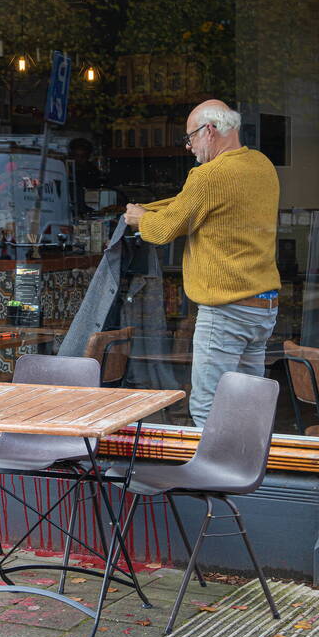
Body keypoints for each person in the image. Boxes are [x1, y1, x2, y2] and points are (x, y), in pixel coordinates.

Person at [124, 99, 280, 427]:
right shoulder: (261, 165)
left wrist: (140, 218)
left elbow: (165, 229)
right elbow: (186, 205)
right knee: (247, 403)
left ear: (209, 131)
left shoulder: (208, 176)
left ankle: (212, 477)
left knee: (209, 407)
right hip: (262, 308)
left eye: (190, 137)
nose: (189, 146)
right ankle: (247, 472)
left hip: (226, 310)